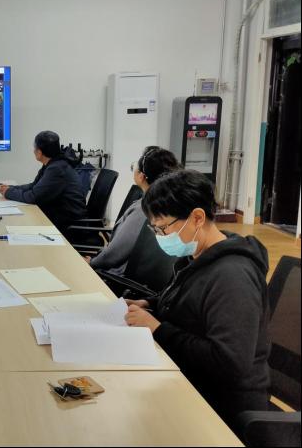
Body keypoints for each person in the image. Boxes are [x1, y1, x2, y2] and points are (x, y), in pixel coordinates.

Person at [124, 169, 270, 430]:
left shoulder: (232, 277)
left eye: (163, 228)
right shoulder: (197, 257)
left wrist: (158, 329)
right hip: (185, 377)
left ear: (197, 218)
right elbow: (188, 302)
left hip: (220, 406)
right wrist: (151, 304)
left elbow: (229, 363)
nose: (160, 236)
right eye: (155, 229)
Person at [87, 146, 180, 276]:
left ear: (141, 176)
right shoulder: (172, 201)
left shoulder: (144, 209)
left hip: (119, 278)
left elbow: (115, 253)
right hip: (149, 276)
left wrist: (92, 262)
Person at [0, 131, 86, 235]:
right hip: (59, 217)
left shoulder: (57, 169)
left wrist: (8, 192)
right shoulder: (54, 163)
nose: (33, 151)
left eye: (34, 148)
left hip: (68, 226)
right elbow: (34, 186)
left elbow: (33, 197)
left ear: (39, 152)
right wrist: (11, 188)